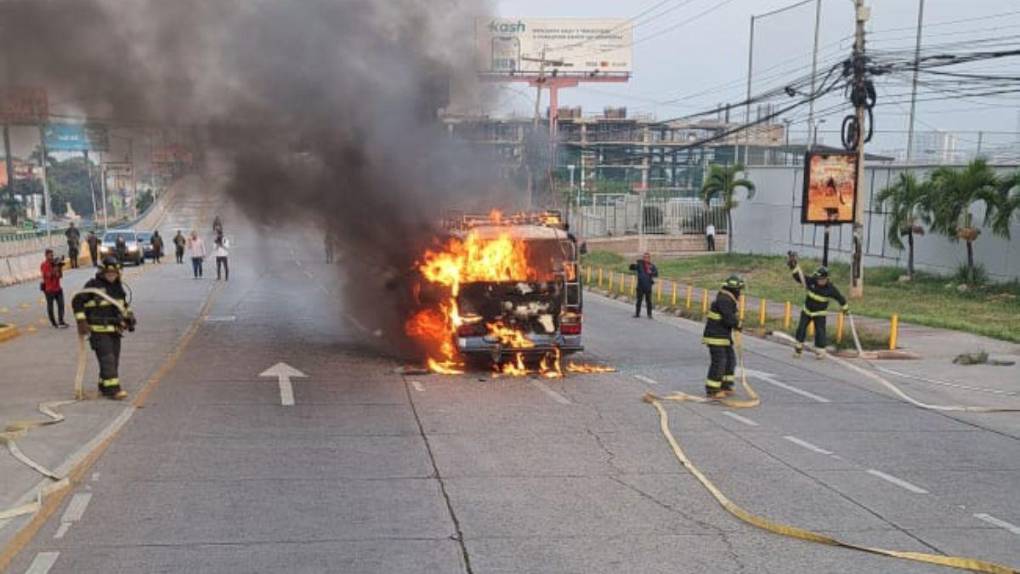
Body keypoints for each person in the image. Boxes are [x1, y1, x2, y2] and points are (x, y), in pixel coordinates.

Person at [72, 256, 136, 400]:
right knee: (108, 359)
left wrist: (129, 318)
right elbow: (77, 301)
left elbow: (122, 305)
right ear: (102, 272)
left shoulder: (118, 287)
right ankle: (113, 390)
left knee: (114, 360)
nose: (112, 276)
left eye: (114, 273)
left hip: (115, 330)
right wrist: (81, 321)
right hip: (98, 331)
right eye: (108, 273)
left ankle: (104, 385)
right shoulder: (93, 286)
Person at [787, 253, 848, 358]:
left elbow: (840, 298)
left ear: (825, 279)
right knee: (801, 328)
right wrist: (793, 265)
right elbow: (799, 277)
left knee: (820, 332)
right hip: (807, 310)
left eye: (820, 279)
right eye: (817, 279)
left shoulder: (830, 289)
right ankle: (798, 348)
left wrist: (845, 309)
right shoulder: (812, 281)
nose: (818, 281)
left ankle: (820, 351)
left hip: (819, 313)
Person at [702, 275, 744, 398]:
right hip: (716, 337)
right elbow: (729, 318)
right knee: (719, 362)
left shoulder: (727, 299)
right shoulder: (724, 300)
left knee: (730, 360)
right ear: (734, 289)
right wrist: (738, 324)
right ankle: (712, 389)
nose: (740, 293)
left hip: (723, 336)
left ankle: (726, 385)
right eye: (739, 290)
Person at [40, 249, 69, 328]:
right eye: (50, 255)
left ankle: (61, 321)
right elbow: (48, 275)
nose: (52, 257)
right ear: (46, 256)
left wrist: (60, 267)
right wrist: (55, 267)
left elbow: (59, 276)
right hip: (49, 289)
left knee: (61, 305)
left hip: (58, 288)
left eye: (52, 255)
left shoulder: (55, 263)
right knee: (50, 306)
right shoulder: (44, 265)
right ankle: (53, 322)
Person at [629, 252, 658, 319]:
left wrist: (651, 272)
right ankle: (637, 314)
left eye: (647, 257)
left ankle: (649, 315)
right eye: (644, 257)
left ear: (649, 258)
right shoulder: (640, 265)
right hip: (640, 286)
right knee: (639, 300)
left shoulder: (652, 266)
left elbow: (656, 274)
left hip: (648, 286)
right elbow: (631, 268)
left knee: (649, 301)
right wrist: (633, 263)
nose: (646, 258)